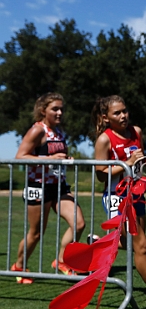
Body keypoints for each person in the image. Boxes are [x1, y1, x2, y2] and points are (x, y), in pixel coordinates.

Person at [92, 95, 146, 308]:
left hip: (137, 194)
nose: (123, 116)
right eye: (117, 113)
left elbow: (138, 164)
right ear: (105, 117)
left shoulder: (136, 132)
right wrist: (126, 163)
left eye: (125, 111)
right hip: (116, 197)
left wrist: (144, 166)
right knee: (141, 246)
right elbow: (101, 174)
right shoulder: (105, 139)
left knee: (136, 243)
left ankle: (97, 245)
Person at [12, 92, 86, 283]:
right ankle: (19, 266)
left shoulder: (59, 132)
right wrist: (49, 158)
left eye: (61, 108)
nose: (60, 112)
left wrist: (67, 160)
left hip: (59, 185)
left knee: (78, 223)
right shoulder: (38, 130)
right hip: (38, 186)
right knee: (36, 233)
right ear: (43, 110)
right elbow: (20, 156)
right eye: (55, 109)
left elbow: (59, 156)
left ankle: (61, 261)